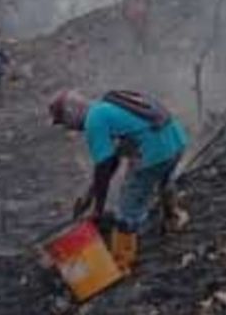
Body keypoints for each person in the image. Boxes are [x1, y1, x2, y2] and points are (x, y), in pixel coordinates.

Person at [50, 89, 190, 274]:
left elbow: (104, 165)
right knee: (164, 178)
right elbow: (113, 158)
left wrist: (97, 208)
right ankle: (174, 218)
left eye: (64, 122)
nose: (69, 128)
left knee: (126, 210)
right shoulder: (106, 108)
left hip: (154, 153)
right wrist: (89, 196)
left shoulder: (94, 121)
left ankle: (122, 264)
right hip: (175, 141)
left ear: (71, 113)